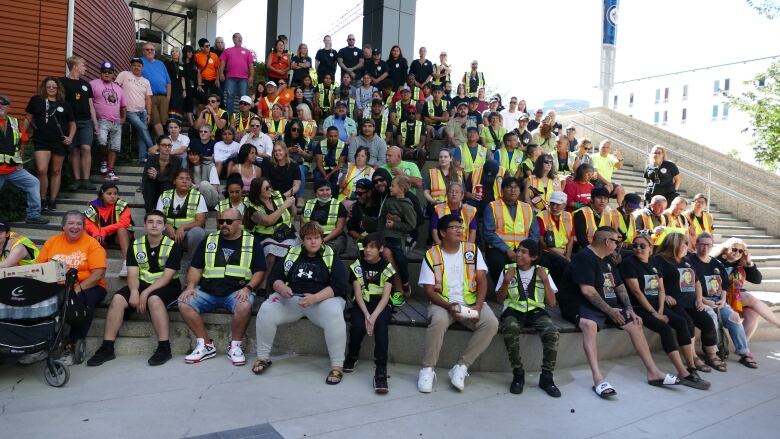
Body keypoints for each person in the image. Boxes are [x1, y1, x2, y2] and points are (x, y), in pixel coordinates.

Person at [558, 227, 681, 398]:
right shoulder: (584, 258)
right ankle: (598, 378)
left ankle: (653, 373)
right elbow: (587, 291)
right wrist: (610, 311)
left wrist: (629, 309)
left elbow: (620, 286)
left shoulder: (607, 259)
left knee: (634, 322)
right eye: (617, 241)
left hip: (606, 305)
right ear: (607, 242)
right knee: (589, 325)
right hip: (579, 304)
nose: (619, 245)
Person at [254, 221, 348, 383]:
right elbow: (275, 278)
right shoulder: (292, 252)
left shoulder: (330, 254)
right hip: (294, 298)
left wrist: (315, 298)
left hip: (322, 300)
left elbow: (340, 286)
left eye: (317, 238)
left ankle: (337, 366)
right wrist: (282, 287)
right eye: (309, 238)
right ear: (303, 240)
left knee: (334, 313)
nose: (313, 241)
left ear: (321, 239)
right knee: (266, 309)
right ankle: (262, 357)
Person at [86, 210, 183, 367]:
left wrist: (144, 293)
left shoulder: (174, 246)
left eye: (159, 222)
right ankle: (107, 347)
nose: (154, 225)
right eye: (150, 221)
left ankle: (164, 348)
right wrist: (134, 292)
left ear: (164, 226)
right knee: (117, 299)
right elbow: (132, 274)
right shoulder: (135, 245)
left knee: (154, 299)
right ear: (144, 225)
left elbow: (166, 277)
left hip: (167, 286)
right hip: (141, 283)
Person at [417, 213, 498, 392]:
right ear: (443, 233)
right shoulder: (432, 255)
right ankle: (427, 369)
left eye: (461, 227)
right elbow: (428, 290)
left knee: (491, 323)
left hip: (470, 302)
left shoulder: (472, 250)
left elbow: (483, 281)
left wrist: (478, 306)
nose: (459, 230)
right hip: (442, 304)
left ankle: (461, 367)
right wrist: (448, 306)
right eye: (454, 227)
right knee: (438, 321)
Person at [619, 233, 711, 389]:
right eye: (635, 246)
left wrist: (661, 310)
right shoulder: (629, 263)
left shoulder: (653, 265)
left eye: (642, 246)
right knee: (665, 329)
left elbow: (661, 289)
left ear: (650, 247)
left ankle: (691, 367)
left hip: (657, 307)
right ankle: (683, 372)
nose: (638, 249)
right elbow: (637, 292)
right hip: (640, 308)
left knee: (682, 323)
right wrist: (655, 314)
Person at [178, 208, 266, 366]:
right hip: (208, 291)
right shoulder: (209, 239)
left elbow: (260, 271)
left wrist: (248, 288)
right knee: (184, 303)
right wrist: (190, 286)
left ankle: (235, 346)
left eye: (229, 222)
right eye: (221, 221)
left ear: (239, 223)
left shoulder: (252, 241)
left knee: (245, 306)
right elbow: (196, 267)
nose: (224, 224)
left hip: (236, 292)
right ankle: (205, 345)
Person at [36, 211, 107, 366]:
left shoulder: (92, 244)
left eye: (79, 224)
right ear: (63, 226)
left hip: (88, 286)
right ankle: (39, 345)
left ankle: (71, 345)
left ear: (84, 226)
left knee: (80, 301)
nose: (75, 227)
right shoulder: (52, 242)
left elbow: (98, 274)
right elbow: (39, 267)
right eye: (71, 223)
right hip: (57, 286)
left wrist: (75, 290)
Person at [496, 240, 562, 396]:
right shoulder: (507, 269)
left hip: (536, 311)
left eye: (523, 252)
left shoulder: (543, 271)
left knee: (552, 332)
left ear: (534, 257)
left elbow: (552, 303)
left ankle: (546, 377)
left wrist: (545, 280)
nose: (518, 254)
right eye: (518, 251)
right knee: (510, 327)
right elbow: (499, 299)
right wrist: (506, 280)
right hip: (513, 310)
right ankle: (518, 374)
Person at [653, 232, 727, 372]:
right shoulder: (659, 260)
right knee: (689, 324)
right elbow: (654, 283)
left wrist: (699, 300)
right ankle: (693, 358)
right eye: (685, 244)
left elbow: (697, 282)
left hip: (691, 302)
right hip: (676, 304)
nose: (688, 247)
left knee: (708, 322)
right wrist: (666, 295)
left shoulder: (685, 261)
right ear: (675, 245)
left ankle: (711, 355)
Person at [687, 233, 757, 368]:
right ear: (696, 245)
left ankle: (744, 352)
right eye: (702, 244)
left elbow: (725, 284)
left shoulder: (716, 263)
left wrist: (723, 299)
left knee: (734, 317)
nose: (705, 247)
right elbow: (687, 285)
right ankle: (715, 352)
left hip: (718, 300)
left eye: (708, 244)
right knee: (711, 317)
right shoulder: (689, 261)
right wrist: (703, 300)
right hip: (699, 301)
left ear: (712, 246)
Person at [344, 233, 395, 393]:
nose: (368, 250)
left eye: (372, 247)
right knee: (357, 326)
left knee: (381, 328)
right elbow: (358, 294)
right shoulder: (356, 265)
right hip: (363, 305)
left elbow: (386, 297)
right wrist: (367, 315)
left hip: (381, 305)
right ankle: (352, 355)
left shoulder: (388, 268)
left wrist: (373, 317)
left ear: (381, 249)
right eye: (366, 246)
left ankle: (381, 370)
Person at [25, 77, 75, 211]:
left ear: (58, 89)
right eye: (49, 86)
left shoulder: (65, 104)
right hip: (41, 140)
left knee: (56, 170)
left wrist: (70, 137)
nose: (52, 89)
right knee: (42, 170)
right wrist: (22, 135)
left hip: (59, 141)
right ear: (44, 87)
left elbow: (72, 124)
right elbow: (28, 118)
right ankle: (42, 198)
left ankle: (52, 199)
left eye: (54, 87)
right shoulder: (36, 100)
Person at [712, 238, 777, 340]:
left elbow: (757, 280)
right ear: (725, 250)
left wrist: (748, 261)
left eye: (741, 251)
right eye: (734, 249)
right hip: (718, 296)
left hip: (734, 299)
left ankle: (743, 347)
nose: (737, 253)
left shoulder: (741, 264)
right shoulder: (715, 261)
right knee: (748, 297)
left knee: (753, 314)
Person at [0, 94, 48, 224]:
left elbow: (22, 142)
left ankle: (33, 215)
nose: (1, 106)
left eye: (4, 103)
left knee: (33, 182)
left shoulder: (14, 123)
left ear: (9, 107)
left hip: (13, 169)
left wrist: (20, 161)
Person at [483, 177, 536, 282]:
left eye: (516, 187)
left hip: (523, 248)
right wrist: (507, 249)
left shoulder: (527, 208)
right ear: (502, 190)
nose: (513, 190)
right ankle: (502, 294)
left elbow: (535, 232)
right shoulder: (492, 206)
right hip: (500, 248)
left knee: (543, 262)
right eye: (509, 187)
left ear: (520, 191)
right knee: (497, 263)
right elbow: (489, 233)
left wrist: (526, 250)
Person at [243, 177, 297, 275]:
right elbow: (267, 221)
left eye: (270, 186)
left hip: (286, 233)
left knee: (293, 254)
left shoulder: (277, 195)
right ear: (258, 191)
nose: (271, 190)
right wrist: (284, 206)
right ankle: (263, 285)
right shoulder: (251, 204)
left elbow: (294, 214)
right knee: (271, 254)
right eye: (267, 188)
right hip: (264, 236)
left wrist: (292, 204)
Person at [61, 56, 98, 191]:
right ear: (75, 66)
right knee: (74, 150)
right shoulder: (62, 82)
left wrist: (95, 123)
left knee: (86, 148)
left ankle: (86, 179)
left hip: (86, 121)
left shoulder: (86, 84)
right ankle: (76, 180)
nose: (85, 68)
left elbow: (91, 106)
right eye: (83, 65)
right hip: (70, 122)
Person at [84, 182, 132, 277]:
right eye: (109, 194)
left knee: (122, 229)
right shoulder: (93, 206)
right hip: (100, 236)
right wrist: (96, 232)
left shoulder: (122, 205)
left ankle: (127, 263)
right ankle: (86, 262)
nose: (113, 196)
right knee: (84, 231)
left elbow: (125, 223)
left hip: (119, 237)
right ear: (102, 195)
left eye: (115, 194)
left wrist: (104, 230)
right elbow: (87, 223)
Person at [156, 168, 207, 255]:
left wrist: (183, 227)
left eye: (188, 179)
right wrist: (167, 226)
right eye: (181, 178)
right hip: (168, 232)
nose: (184, 181)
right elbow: (157, 217)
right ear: (174, 181)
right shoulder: (165, 195)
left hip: (188, 232)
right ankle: (158, 259)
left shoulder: (198, 196)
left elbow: (200, 222)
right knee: (153, 227)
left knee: (198, 232)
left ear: (191, 182)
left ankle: (192, 263)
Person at [90, 61, 127, 181]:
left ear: (113, 75)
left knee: (114, 147)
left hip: (116, 121)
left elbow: (123, 106)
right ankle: (103, 161)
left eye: (109, 72)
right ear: (100, 73)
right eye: (104, 72)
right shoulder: (93, 84)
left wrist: (123, 118)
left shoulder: (118, 88)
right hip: (101, 120)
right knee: (102, 141)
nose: (107, 74)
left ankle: (110, 171)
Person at [302, 179, 348, 255]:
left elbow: (339, 229)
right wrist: (311, 239)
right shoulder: (308, 204)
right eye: (321, 190)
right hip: (312, 237)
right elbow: (303, 226)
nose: (325, 193)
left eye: (328, 190)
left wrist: (322, 240)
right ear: (316, 192)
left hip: (333, 238)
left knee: (325, 251)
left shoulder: (338, 205)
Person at [142, 135, 183, 211]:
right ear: (158, 146)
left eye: (169, 145)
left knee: (166, 184)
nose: (167, 147)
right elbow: (145, 177)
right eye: (164, 145)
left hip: (168, 189)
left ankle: (165, 211)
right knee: (149, 185)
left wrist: (157, 175)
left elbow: (172, 179)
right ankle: (150, 212)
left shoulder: (177, 160)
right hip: (153, 189)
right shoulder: (151, 159)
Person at [139, 43, 171, 138]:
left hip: (163, 97)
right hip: (149, 97)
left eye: (152, 50)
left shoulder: (160, 64)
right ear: (143, 51)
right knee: (156, 121)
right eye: (147, 49)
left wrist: (168, 98)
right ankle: (164, 143)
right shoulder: (139, 62)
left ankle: (157, 146)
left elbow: (168, 82)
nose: (150, 51)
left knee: (162, 122)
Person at [432, 181, 477, 245]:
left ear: (462, 196)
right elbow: (434, 230)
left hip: (463, 244)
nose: (454, 194)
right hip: (443, 244)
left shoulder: (470, 210)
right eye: (451, 192)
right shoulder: (438, 209)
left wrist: (468, 248)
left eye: (457, 192)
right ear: (447, 195)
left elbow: (473, 231)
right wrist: (441, 246)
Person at [220, 33, 255, 115]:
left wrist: (251, 76)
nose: (240, 39)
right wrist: (221, 73)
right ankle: (228, 118)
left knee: (244, 98)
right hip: (230, 78)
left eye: (241, 38)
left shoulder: (247, 51)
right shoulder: (227, 50)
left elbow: (251, 65)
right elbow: (222, 63)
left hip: (243, 78)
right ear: (233, 39)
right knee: (229, 97)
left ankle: (243, 117)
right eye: (238, 37)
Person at [536, 191, 575, 260]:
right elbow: (541, 241)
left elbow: (571, 239)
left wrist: (567, 257)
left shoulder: (568, 216)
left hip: (565, 252)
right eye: (552, 203)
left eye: (557, 204)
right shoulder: (541, 216)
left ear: (564, 205)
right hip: (547, 252)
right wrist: (560, 255)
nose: (554, 207)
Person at [184, 143, 220, 209]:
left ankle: (203, 209)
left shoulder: (210, 165)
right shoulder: (186, 166)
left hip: (211, 198)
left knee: (204, 184)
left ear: (200, 155)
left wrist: (196, 187)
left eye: (195, 154)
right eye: (190, 155)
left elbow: (215, 187)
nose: (192, 157)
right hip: (194, 198)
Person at [590, 140, 625, 205]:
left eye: (607, 147)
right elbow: (596, 172)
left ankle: (621, 209)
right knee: (607, 188)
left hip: (607, 183)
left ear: (610, 149)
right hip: (596, 181)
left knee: (620, 189)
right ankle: (603, 209)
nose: (605, 149)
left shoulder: (611, 157)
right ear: (599, 147)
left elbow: (619, 166)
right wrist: (608, 183)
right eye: (603, 147)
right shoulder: (594, 156)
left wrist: (620, 159)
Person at [313, 126, 347, 193]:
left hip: (336, 168)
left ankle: (333, 195)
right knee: (317, 175)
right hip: (322, 168)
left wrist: (329, 175)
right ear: (327, 136)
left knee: (337, 176)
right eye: (331, 136)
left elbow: (341, 164)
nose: (333, 138)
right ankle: (319, 194)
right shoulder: (320, 144)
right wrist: (325, 175)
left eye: (335, 136)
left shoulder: (343, 145)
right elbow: (319, 164)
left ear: (338, 135)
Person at [396, 105, 427, 170]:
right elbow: (399, 141)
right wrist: (406, 149)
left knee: (423, 152)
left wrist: (415, 150)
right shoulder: (401, 125)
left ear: (415, 114)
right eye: (409, 113)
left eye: (413, 113)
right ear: (406, 114)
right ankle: (399, 170)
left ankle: (418, 171)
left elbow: (423, 141)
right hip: (404, 149)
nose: (411, 115)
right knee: (397, 151)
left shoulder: (422, 125)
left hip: (416, 149)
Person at [194, 38, 221, 104]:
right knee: (204, 100)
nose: (209, 47)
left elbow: (217, 68)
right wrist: (199, 84)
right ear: (201, 48)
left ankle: (220, 113)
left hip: (213, 81)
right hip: (203, 81)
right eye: (206, 46)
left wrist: (217, 80)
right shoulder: (197, 56)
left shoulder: (214, 55)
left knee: (219, 97)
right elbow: (197, 71)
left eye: (209, 45)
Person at [164, 47, 185, 122]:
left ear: (179, 54)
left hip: (179, 88)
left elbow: (183, 78)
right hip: (170, 87)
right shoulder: (167, 63)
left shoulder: (182, 65)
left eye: (176, 51)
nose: (174, 53)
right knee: (172, 104)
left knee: (179, 105)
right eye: (173, 51)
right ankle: (171, 123)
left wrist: (184, 90)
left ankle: (178, 124)